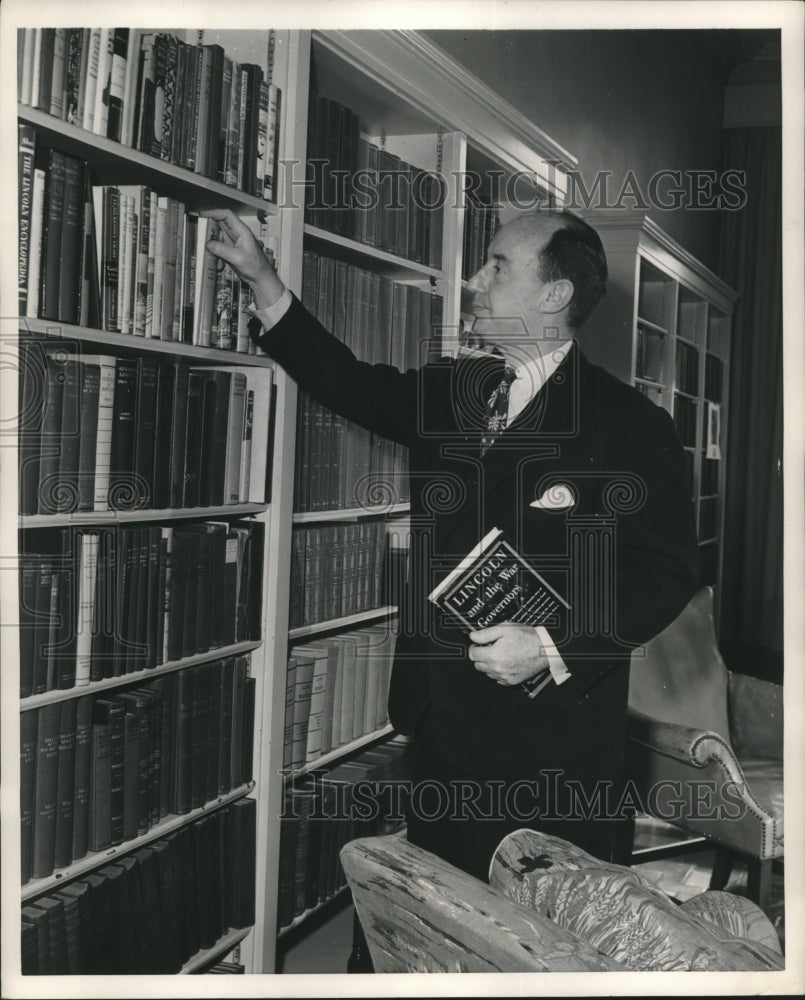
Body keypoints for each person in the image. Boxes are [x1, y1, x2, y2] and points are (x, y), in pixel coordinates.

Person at [206, 208, 700, 880]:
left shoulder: (629, 424)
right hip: (437, 716)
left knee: (534, 943)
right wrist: (262, 279)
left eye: (494, 266)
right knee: (437, 923)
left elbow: (665, 571)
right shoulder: (454, 391)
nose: (472, 280)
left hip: (548, 742)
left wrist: (549, 644)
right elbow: (349, 381)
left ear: (554, 294)